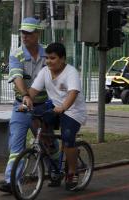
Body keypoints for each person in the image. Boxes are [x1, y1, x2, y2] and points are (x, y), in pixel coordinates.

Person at [25, 42, 87, 191]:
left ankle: (72, 170)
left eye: (52, 58)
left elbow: (73, 93)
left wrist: (64, 107)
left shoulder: (71, 72)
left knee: (67, 138)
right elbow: (33, 90)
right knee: (37, 122)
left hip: (73, 111)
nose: (48, 61)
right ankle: (55, 161)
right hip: (55, 108)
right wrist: (26, 99)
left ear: (62, 59)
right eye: (47, 58)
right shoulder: (45, 71)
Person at [0, 17, 48, 193]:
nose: (24, 36)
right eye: (22, 33)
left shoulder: (47, 54)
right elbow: (17, 77)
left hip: (43, 105)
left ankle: (57, 169)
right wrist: (26, 95)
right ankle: (11, 180)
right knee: (16, 145)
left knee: (48, 142)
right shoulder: (16, 54)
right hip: (22, 106)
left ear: (37, 34)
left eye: (28, 33)